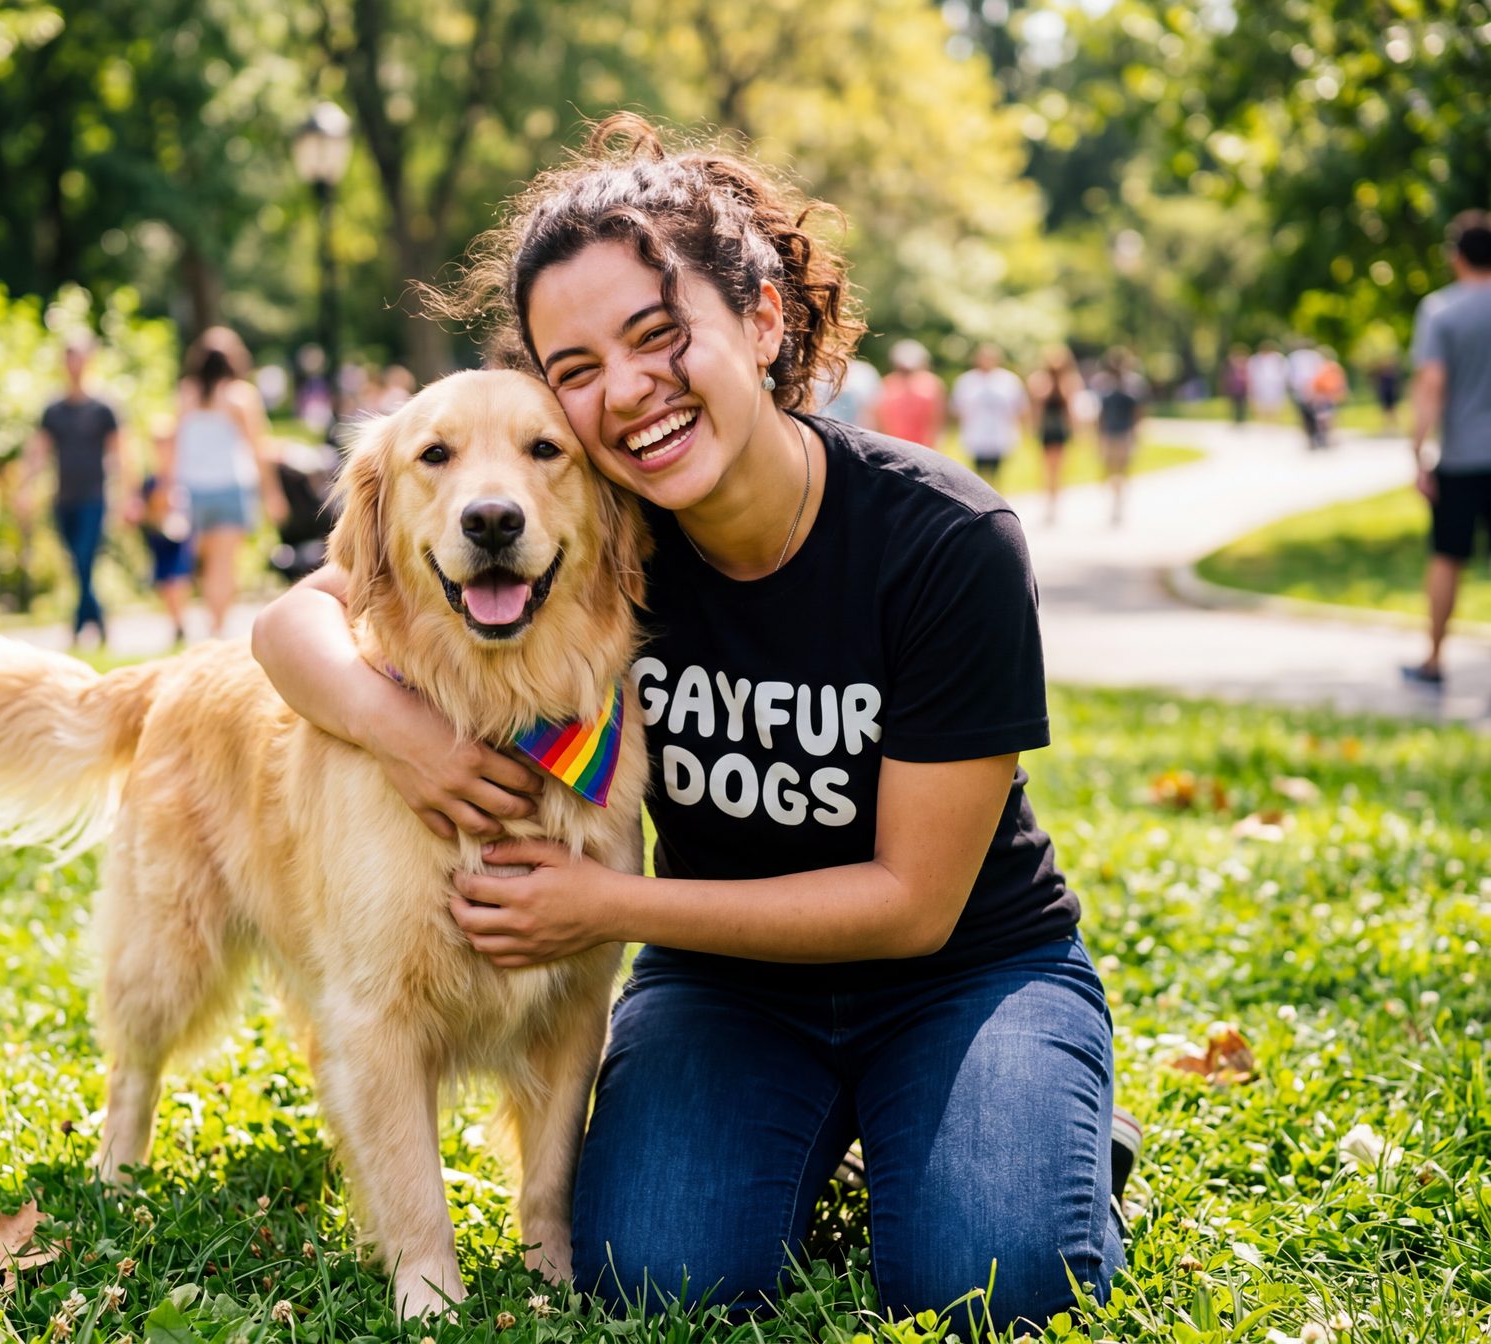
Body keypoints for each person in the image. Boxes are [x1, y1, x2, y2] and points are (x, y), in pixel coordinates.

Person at [251, 113, 1126, 1334]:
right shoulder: (597, 526)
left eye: (660, 337)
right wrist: (406, 734)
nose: (628, 393)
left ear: (763, 319)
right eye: (578, 367)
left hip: (959, 973)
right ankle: (857, 1133)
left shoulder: (942, 543)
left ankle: (1026, 1111)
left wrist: (607, 906)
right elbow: (300, 617)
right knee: (655, 1272)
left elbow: (914, 901)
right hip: (732, 988)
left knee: (990, 1282)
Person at [1403, 210, 1491, 689]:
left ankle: (1434, 661)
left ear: (1456, 256)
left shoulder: (1441, 311)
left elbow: (1431, 384)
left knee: (1446, 559)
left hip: (1460, 458)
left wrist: (1418, 453)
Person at [157, 327, 286, 639]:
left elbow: (173, 445)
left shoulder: (186, 394)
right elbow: (257, 447)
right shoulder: (240, 396)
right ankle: (217, 626)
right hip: (231, 487)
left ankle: (202, 621)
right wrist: (272, 493)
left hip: (193, 488)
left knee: (202, 561)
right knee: (224, 563)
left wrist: (167, 486)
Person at [16, 335, 130, 646]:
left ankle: (78, 628)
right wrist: (25, 488)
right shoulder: (53, 409)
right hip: (63, 498)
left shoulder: (104, 407)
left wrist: (127, 496)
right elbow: (38, 452)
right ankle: (97, 620)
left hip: (95, 497)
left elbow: (121, 455)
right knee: (77, 564)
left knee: (84, 559)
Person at [950, 343, 1027, 484]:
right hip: (976, 436)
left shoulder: (1008, 380)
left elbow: (1019, 408)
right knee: (977, 478)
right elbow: (957, 409)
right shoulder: (966, 381)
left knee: (997, 476)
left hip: (1000, 436)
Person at [137, 474, 195, 646]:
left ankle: (179, 621)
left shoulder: (183, 475)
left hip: (178, 526)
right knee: (166, 577)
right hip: (158, 529)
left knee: (177, 575)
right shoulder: (148, 480)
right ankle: (176, 622)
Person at [1091, 348, 1147, 526]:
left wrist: (1138, 432)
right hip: (1109, 432)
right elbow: (1100, 412)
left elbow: (1139, 411)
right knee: (1109, 468)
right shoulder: (1103, 384)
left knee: (1123, 468)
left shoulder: (1134, 383)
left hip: (1125, 432)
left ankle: (1118, 502)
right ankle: (1115, 499)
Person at [1028, 346, 1083, 525]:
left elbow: (1071, 409)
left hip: (1059, 429)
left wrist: (1076, 431)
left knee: (1058, 468)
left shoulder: (1069, 381)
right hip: (1047, 429)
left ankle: (1054, 503)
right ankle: (1047, 501)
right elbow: (1036, 406)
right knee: (1046, 467)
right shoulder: (1041, 380)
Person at [875, 339, 946, 448]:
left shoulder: (932, 383)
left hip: (922, 446)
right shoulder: (888, 383)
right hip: (893, 445)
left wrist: (934, 443)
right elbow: (879, 418)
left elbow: (937, 419)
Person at [1247, 340, 1290, 423]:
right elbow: (1252, 372)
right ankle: (1262, 421)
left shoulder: (1278, 358)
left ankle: (1273, 421)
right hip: (1260, 385)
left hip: (1275, 385)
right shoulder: (1256, 359)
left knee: (1274, 405)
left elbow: (1284, 371)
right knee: (1260, 405)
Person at [1371, 353, 1404, 433]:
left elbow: (1397, 385)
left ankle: (1396, 427)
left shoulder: (1393, 375)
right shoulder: (1381, 375)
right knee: (1385, 411)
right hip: (1384, 394)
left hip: (1391, 394)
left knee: (1393, 410)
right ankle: (1386, 427)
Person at [1220, 345, 1250, 424]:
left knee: (1242, 405)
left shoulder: (1245, 366)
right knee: (1234, 404)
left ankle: (1242, 419)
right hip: (1234, 389)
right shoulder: (1230, 366)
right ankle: (1235, 419)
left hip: (1242, 388)